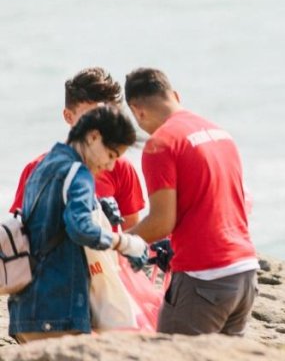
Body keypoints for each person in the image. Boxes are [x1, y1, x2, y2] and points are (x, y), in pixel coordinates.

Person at [124, 68, 258, 336]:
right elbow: (245, 201)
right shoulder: (220, 133)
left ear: (137, 111)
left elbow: (162, 222)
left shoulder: (160, 144)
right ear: (174, 95)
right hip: (245, 274)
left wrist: (116, 243)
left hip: (204, 279)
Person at [7, 106, 148, 343]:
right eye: (112, 155)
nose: (111, 166)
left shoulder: (44, 165)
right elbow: (80, 227)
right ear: (93, 137)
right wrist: (125, 242)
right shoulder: (78, 174)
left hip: (25, 307)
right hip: (57, 310)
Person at [9, 67, 146, 231]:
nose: (100, 130)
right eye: (91, 117)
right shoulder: (37, 169)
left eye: (108, 118)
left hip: (108, 256)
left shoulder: (120, 167)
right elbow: (21, 234)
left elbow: (132, 232)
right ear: (68, 116)